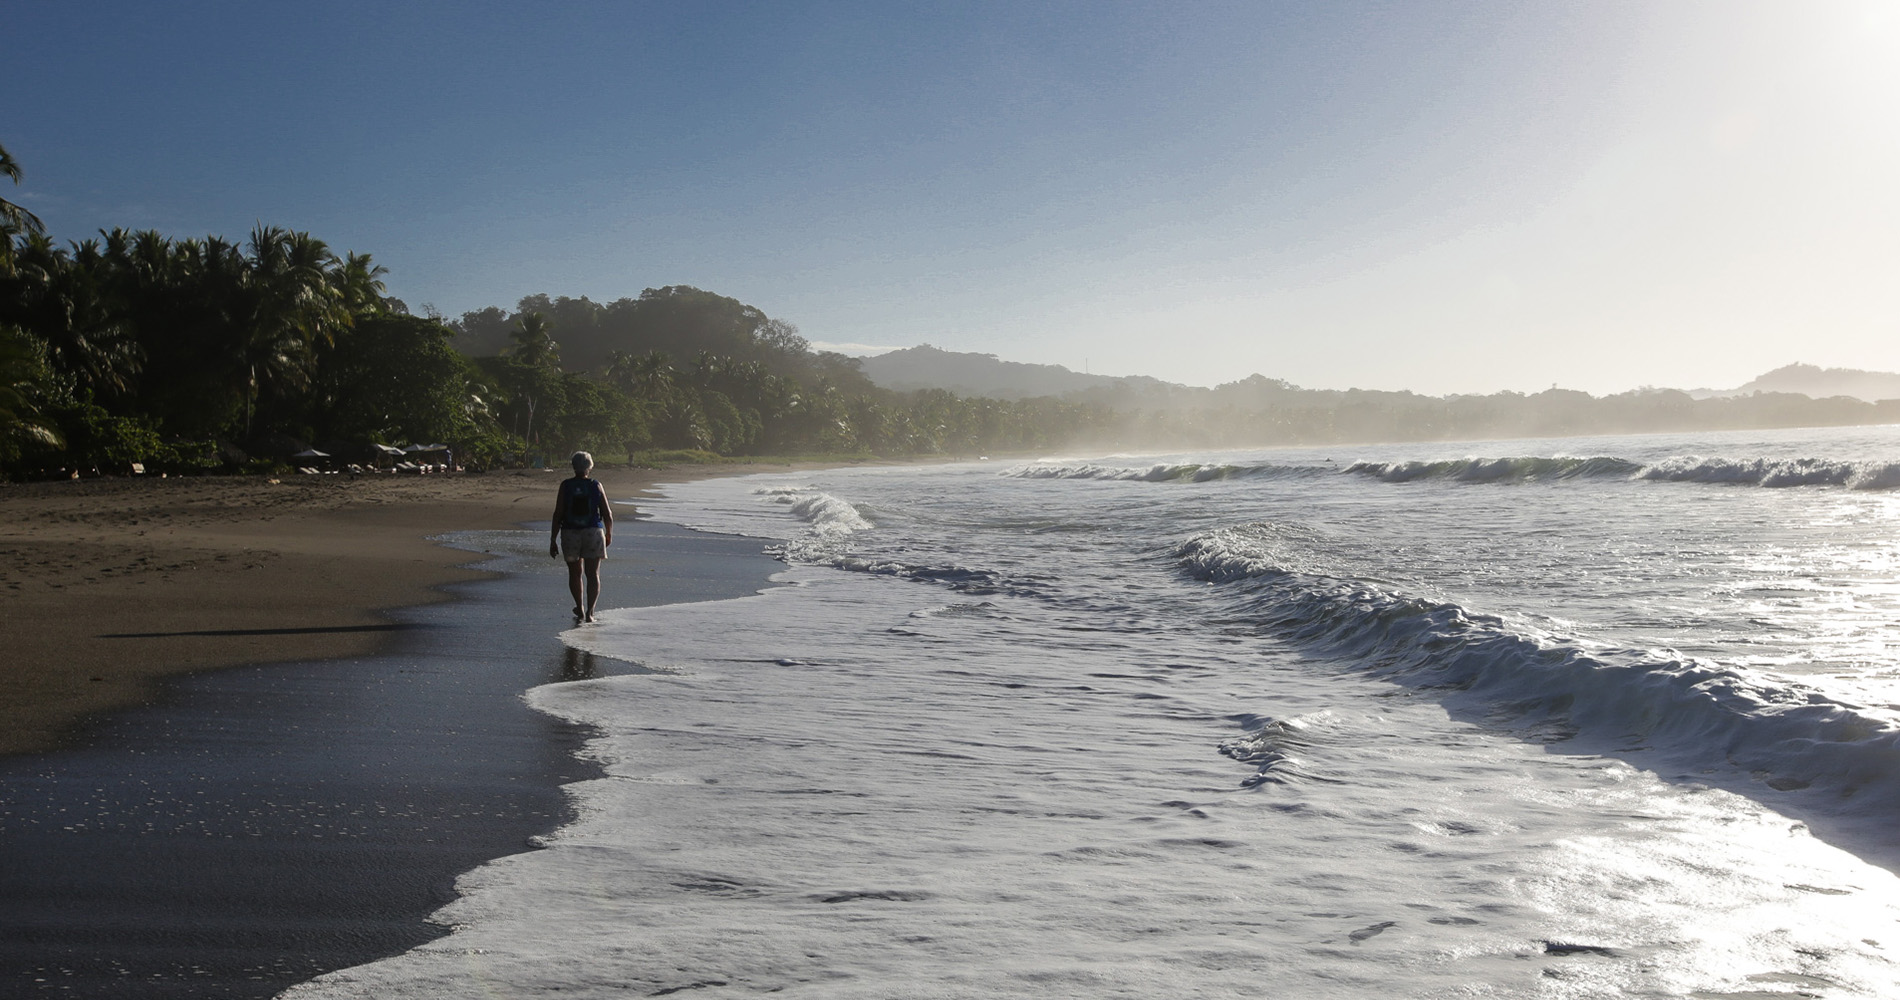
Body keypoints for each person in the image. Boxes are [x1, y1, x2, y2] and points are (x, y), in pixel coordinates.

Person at [550, 451, 613, 622]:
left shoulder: (566, 485)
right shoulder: (596, 485)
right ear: (590, 467)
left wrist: (553, 540)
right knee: (593, 574)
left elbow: (558, 513)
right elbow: (607, 513)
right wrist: (608, 533)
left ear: (573, 466)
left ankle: (580, 607)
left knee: (575, 573)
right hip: (593, 531)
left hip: (570, 532)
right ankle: (590, 613)